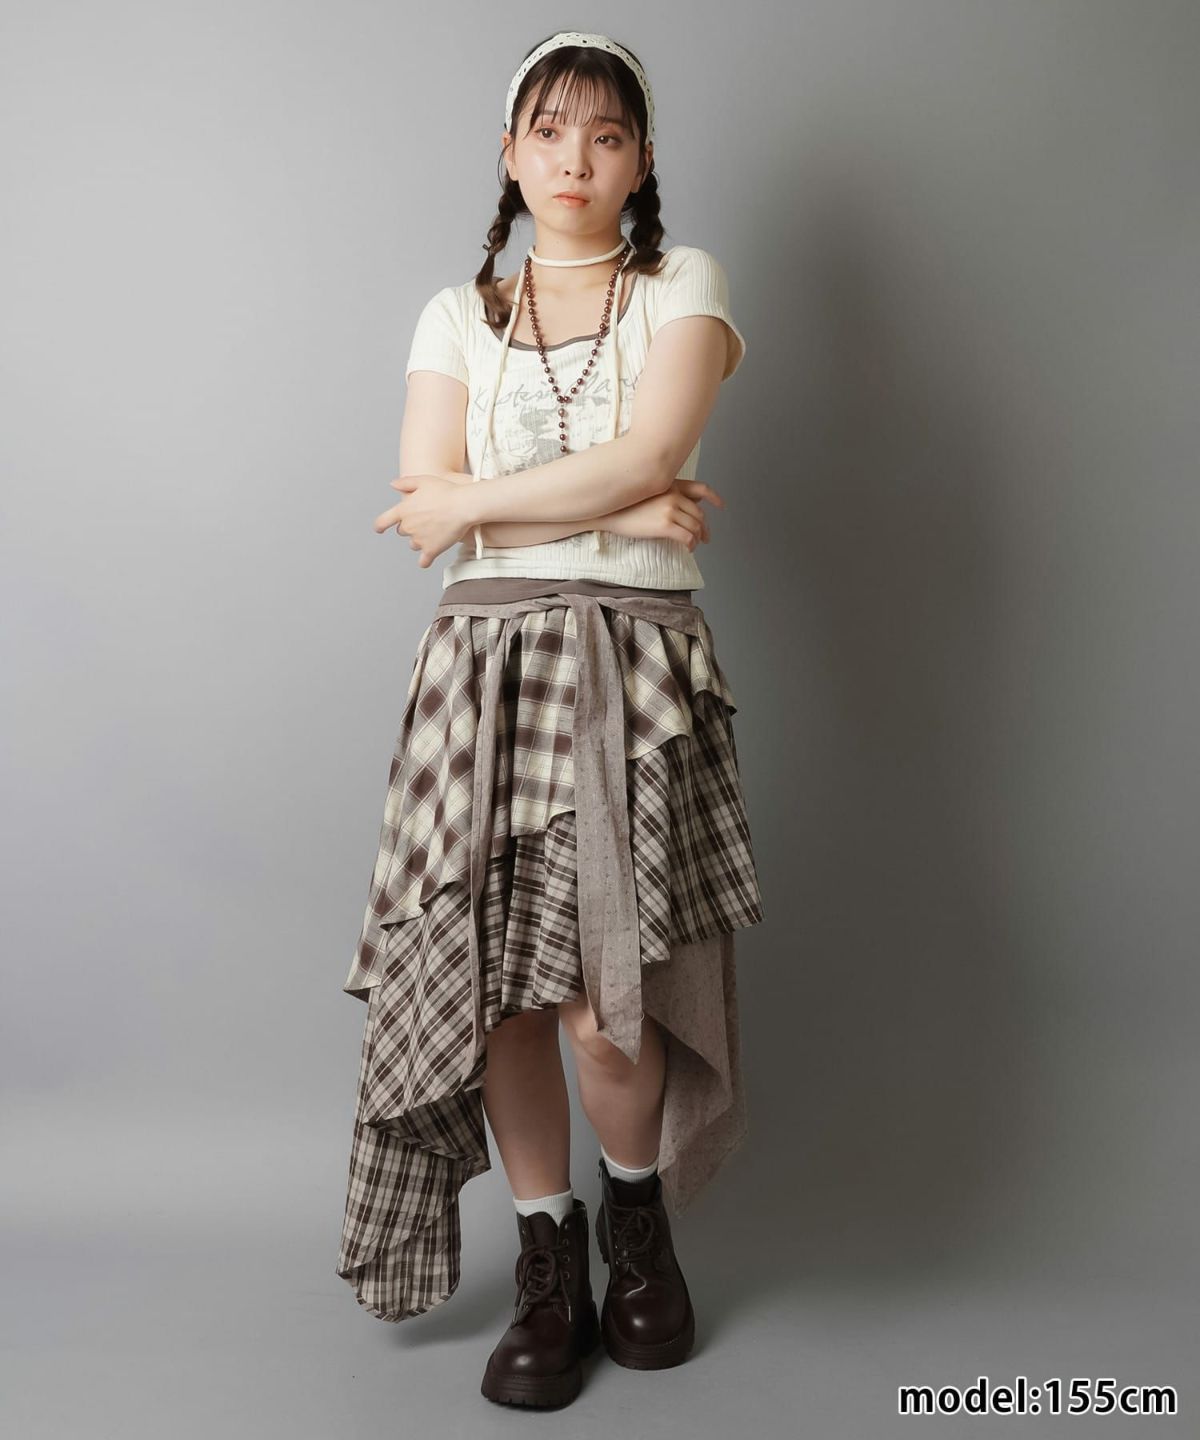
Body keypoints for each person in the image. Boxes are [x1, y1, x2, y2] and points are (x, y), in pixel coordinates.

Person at [335, 29, 765, 1410]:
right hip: (481, 675)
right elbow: (424, 500)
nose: (575, 159)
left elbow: (642, 451)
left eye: (606, 135)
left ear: (641, 161)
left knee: (604, 999)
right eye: (548, 131)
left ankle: (637, 1221)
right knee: (501, 995)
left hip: (630, 674)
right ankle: (547, 1256)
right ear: (509, 153)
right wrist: (621, 507)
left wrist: (486, 503)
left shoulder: (682, 286)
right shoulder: (454, 313)